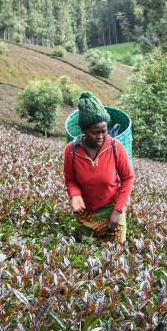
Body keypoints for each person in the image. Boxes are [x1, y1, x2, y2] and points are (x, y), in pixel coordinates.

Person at [63, 91, 134, 243]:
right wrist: (75, 195)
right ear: (84, 131)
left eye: (104, 131)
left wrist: (117, 210)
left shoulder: (115, 147)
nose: (100, 136)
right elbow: (70, 179)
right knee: (85, 248)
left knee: (115, 249)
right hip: (87, 212)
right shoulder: (71, 150)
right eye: (95, 133)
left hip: (112, 207)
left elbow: (128, 178)